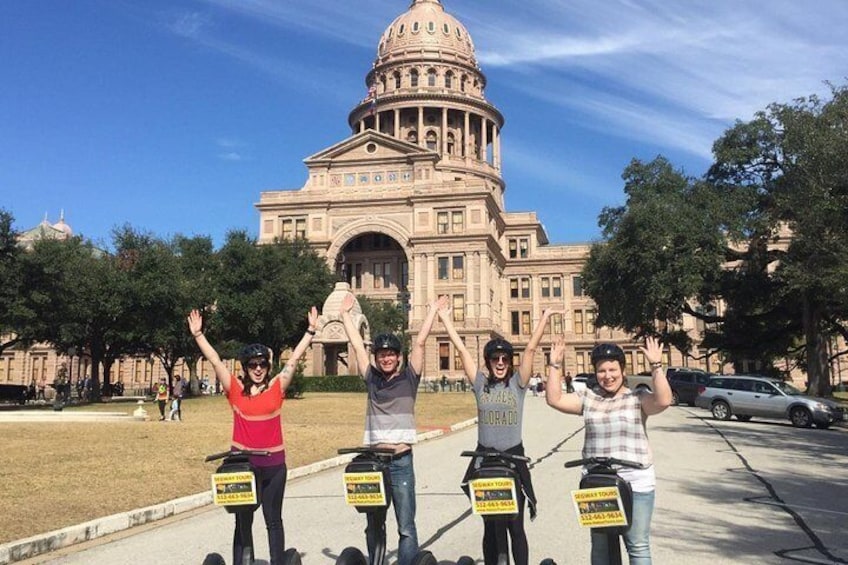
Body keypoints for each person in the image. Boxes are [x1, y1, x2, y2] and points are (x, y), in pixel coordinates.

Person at [188, 306, 318, 565]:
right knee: (243, 520)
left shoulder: (276, 388)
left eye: (262, 364)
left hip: (274, 467)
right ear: (245, 368)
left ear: (268, 367)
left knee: (273, 520)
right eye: (252, 365)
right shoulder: (235, 390)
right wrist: (199, 335)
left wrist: (311, 331)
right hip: (244, 467)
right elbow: (215, 361)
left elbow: (293, 360)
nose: (258, 369)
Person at [437, 306, 558, 565]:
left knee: (515, 526)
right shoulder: (481, 385)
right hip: (485, 463)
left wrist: (544, 318)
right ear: (489, 362)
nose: (500, 363)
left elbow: (530, 351)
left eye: (504, 359)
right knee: (490, 527)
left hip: (513, 460)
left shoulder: (518, 386)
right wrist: (446, 319)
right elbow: (462, 351)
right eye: (495, 359)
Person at [545, 335, 671, 565]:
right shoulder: (588, 398)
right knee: (600, 545)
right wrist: (554, 365)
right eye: (602, 371)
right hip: (597, 480)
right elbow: (554, 399)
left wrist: (656, 366)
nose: (608, 376)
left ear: (623, 370)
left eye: (613, 369)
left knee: (637, 544)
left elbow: (663, 401)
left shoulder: (637, 398)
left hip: (635, 479)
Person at [339, 293, 445, 565]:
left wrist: (432, 310)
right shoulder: (371, 378)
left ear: (399, 357)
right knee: (374, 524)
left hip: (400, 461)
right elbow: (356, 344)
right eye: (381, 355)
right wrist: (345, 316)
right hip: (373, 462)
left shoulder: (410, 378)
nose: (385, 359)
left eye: (390, 355)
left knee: (406, 526)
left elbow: (420, 342)